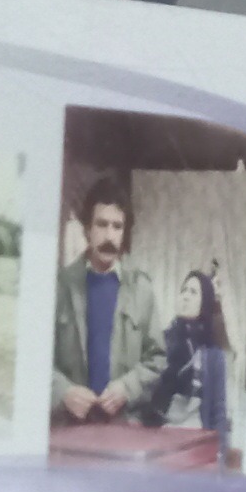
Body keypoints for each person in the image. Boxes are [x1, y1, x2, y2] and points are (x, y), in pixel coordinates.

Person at [52, 171, 164, 423]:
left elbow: (157, 358)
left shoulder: (141, 288)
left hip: (124, 427)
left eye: (117, 226)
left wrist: (127, 388)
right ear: (87, 229)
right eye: (101, 225)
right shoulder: (61, 285)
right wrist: (63, 392)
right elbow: (37, 355)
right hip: (70, 426)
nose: (109, 236)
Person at [136, 269, 231, 433]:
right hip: (158, 434)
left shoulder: (213, 355)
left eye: (193, 292)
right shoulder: (160, 341)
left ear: (205, 303)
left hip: (196, 435)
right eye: (184, 290)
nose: (185, 296)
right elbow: (143, 394)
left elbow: (218, 412)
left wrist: (220, 447)